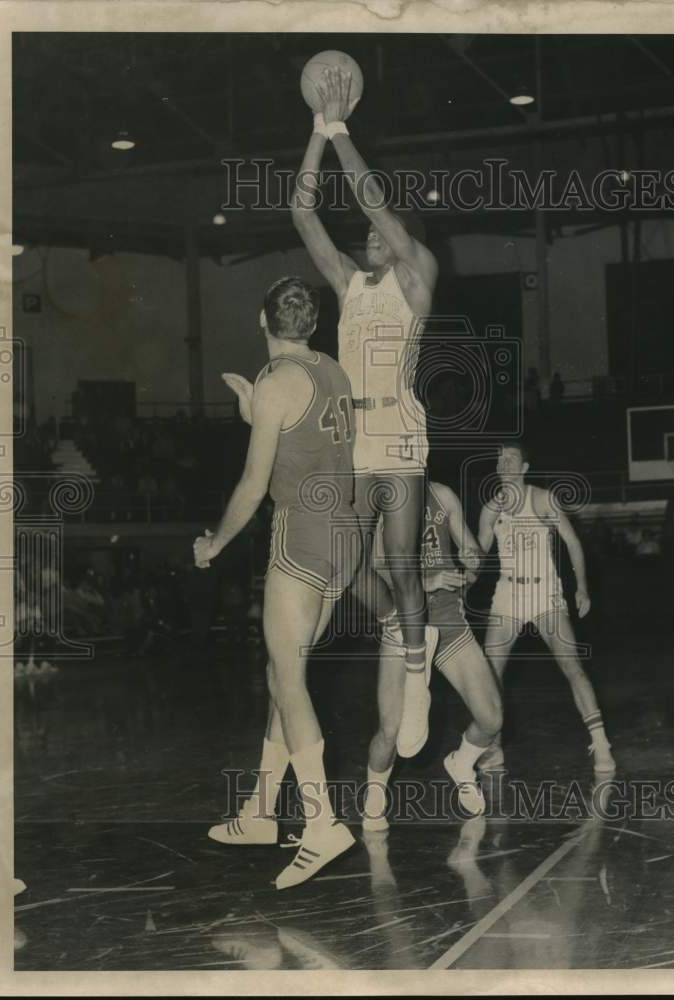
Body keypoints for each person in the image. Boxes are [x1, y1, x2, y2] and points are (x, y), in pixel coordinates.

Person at [289, 66, 439, 758]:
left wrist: (344, 129)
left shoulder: (417, 275)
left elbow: (374, 204)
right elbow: (301, 214)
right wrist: (317, 133)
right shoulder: (349, 285)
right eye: (371, 234)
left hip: (400, 433)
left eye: (384, 231)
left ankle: (417, 683)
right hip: (352, 435)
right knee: (347, 567)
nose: (373, 234)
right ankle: (403, 633)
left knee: (404, 565)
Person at [194, 276, 361, 889]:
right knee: (281, 674)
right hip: (345, 531)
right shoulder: (333, 371)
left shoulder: (273, 383)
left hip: (302, 533)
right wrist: (256, 415)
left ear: (261, 318)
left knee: (288, 678)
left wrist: (213, 543)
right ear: (313, 323)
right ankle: (261, 812)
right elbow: (310, 439)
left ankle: (321, 826)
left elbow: (254, 486)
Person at [362, 481, 503, 827]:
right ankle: (375, 794)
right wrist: (429, 580)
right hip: (402, 623)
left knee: (491, 719)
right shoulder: (383, 500)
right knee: (391, 730)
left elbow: (473, 554)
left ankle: (462, 762)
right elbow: (374, 573)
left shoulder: (442, 495)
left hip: (448, 621)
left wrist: (472, 564)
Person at [477, 441, 615, 773]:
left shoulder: (542, 499)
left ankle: (601, 745)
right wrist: (461, 578)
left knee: (572, 667)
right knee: (488, 673)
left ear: (524, 468)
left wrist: (581, 587)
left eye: (512, 459)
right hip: (508, 595)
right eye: (501, 460)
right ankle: (493, 748)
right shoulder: (490, 508)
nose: (505, 464)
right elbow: (478, 555)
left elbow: (573, 543)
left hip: (544, 594)